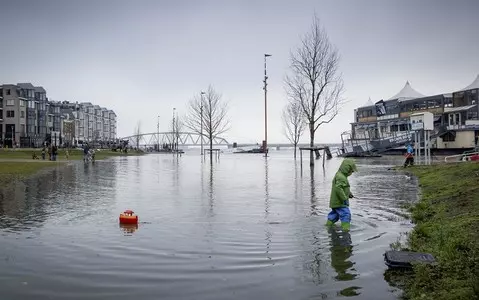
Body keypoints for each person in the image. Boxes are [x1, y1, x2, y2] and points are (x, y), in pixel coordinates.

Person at [326, 158, 357, 232]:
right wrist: (344, 199)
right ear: (347, 169)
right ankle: (346, 230)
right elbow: (338, 188)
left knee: (335, 215)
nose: (351, 173)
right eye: (351, 171)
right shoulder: (341, 177)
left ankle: (328, 226)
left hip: (335, 202)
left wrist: (349, 193)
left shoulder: (339, 174)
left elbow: (343, 187)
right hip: (340, 202)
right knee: (346, 214)